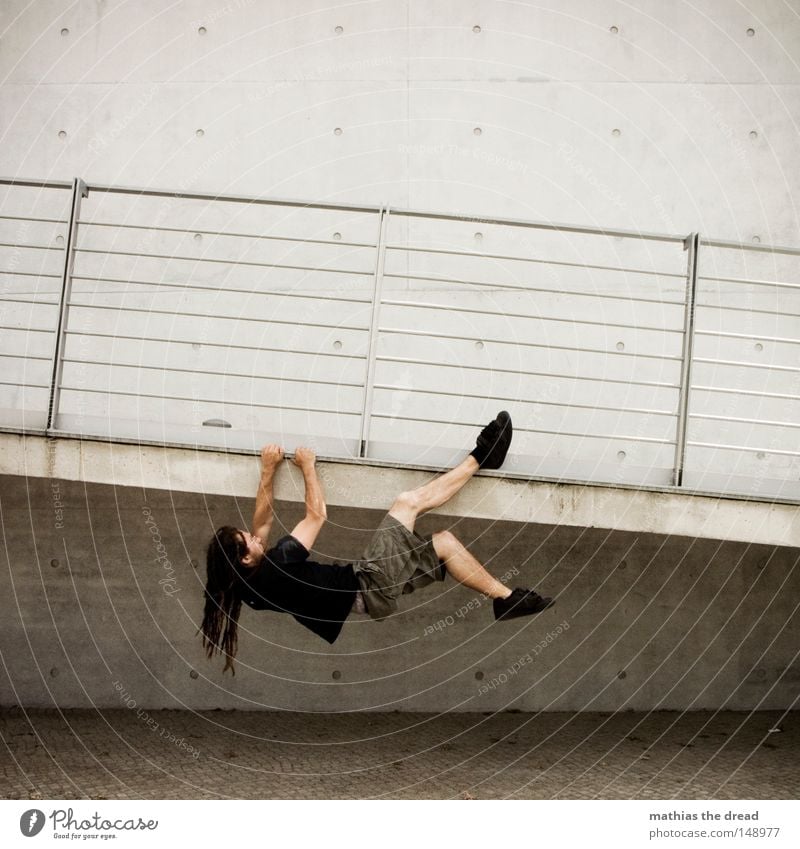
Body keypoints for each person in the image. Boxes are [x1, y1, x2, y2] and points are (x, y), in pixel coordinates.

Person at [199, 411, 554, 674]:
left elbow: (262, 522)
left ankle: (505, 600)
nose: (253, 536)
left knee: (444, 544)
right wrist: (307, 466)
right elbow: (316, 516)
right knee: (406, 503)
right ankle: (482, 456)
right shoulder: (276, 566)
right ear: (245, 559)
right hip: (368, 583)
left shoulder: (250, 587)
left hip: (371, 598)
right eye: (246, 540)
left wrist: (267, 470)